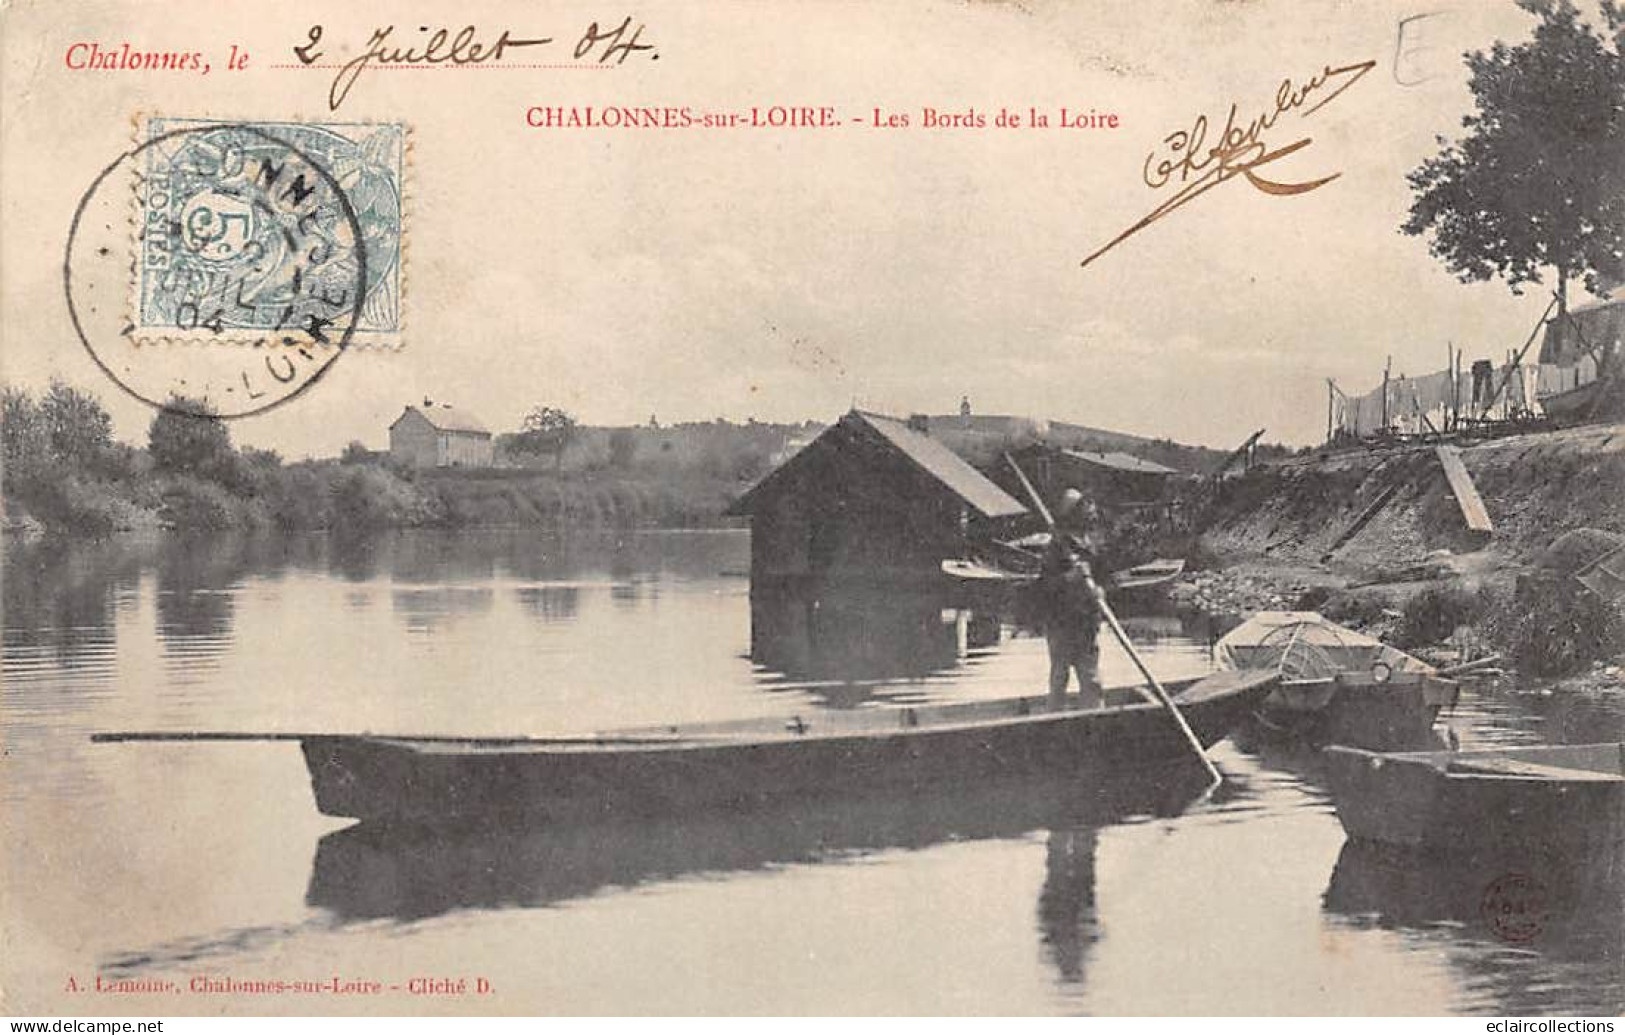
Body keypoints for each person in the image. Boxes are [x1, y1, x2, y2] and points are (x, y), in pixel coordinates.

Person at [1035, 491, 1103, 709]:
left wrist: (1100, 591)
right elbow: (1044, 586)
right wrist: (1069, 578)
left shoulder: (1090, 544)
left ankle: (1095, 721)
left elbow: (1105, 578)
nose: (1092, 512)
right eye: (1087, 508)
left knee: (1091, 680)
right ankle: (1054, 722)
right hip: (1062, 623)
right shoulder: (1057, 547)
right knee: (1059, 678)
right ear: (1075, 514)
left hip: (1086, 622)